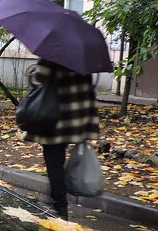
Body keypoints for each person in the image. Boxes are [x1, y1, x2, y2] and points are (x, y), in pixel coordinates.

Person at [21, 58, 99, 220]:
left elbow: (39, 79)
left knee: (54, 162)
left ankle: (59, 205)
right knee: (59, 159)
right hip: (76, 117)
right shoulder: (82, 59)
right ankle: (58, 198)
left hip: (54, 119)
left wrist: (32, 72)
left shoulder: (52, 55)